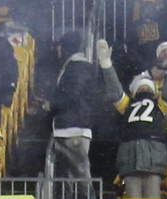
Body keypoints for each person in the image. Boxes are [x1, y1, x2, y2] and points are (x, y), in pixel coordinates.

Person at [48, 31, 123, 181]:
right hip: (70, 128)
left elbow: (72, 94)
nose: (58, 50)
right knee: (69, 178)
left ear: (66, 47)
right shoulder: (76, 67)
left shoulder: (78, 67)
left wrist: (51, 105)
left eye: (59, 46)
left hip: (74, 129)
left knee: (81, 176)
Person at [115, 72, 167, 199]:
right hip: (136, 155)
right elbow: (114, 92)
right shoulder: (127, 104)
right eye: (141, 88)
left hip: (148, 154)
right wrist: (106, 65)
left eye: (147, 88)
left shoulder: (160, 105)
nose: (144, 90)